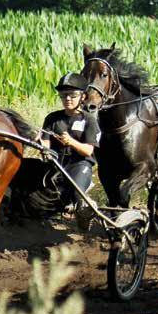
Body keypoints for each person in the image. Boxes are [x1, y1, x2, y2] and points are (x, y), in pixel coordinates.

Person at [39, 72, 101, 213]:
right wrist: (42, 146)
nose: (67, 99)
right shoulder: (53, 118)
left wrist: (71, 142)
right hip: (56, 164)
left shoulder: (89, 120)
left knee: (76, 194)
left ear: (83, 97)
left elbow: (88, 151)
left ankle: (86, 207)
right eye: (63, 95)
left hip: (79, 165)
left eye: (72, 95)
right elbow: (45, 142)